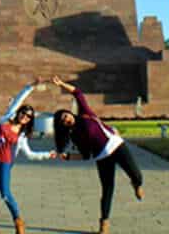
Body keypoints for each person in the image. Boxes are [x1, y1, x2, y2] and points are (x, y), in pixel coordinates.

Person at [52, 76, 143, 234]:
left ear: (69, 113)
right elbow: (86, 155)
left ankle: (136, 183)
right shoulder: (74, 135)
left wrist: (61, 84)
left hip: (116, 145)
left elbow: (78, 93)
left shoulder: (85, 113)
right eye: (62, 121)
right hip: (102, 157)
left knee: (137, 174)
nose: (66, 119)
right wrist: (69, 157)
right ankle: (104, 223)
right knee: (107, 189)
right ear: (63, 126)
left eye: (65, 115)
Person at [0, 80, 55, 234]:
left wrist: (47, 154)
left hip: (4, 164)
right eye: (24, 113)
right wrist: (31, 86)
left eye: (29, 117)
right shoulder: (7, 118)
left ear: (30, 120)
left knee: (5, 194)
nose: (25, 117)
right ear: (19, 112)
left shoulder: (22, 136)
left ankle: (18, 221)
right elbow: (19, 99)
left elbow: (30, 154)